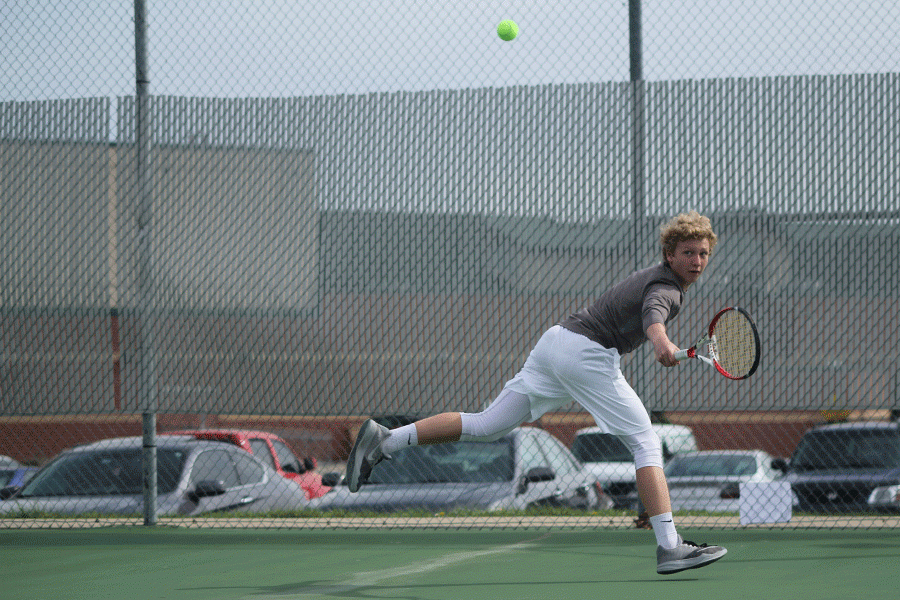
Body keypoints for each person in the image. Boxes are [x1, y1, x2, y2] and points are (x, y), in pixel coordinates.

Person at [345, 211, 727, 575]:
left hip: (556, 342)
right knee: (646, 441)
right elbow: (654, 314)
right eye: (687, 253)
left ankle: (387, 440)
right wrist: (660, 340)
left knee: (487, 425)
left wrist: (657, 337)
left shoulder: (655, 277)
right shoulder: (667, 288)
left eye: (703, 253)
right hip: (587, 353)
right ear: (669, 255)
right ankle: (669, 545)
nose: (696, 260)